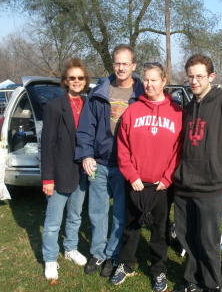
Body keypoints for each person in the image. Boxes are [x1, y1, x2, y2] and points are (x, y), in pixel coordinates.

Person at [172, 54, 222, 292]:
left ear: (211, 77)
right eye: (191, 76)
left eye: (199, 76)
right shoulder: (187, 108)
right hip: (185, 185)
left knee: (207, 241)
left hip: (211, 186)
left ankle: (212, 284)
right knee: (187, 238)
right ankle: (192, 281)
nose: (194, 81)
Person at [110, 63, 182, 292]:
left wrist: (168, 178)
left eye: (154, 80)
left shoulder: (177, 112)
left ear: (163, 81)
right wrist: (132, 175)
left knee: (159, 230)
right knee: (131, 227)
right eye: (146, 80)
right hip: (136, 182)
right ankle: (126, 263)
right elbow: (122, 147)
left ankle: (158, 269)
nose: (150, 84)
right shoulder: (132, 111)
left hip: (162, 185)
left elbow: (179, 151)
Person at [75, 44, 144, 277]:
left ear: (133, 66)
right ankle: (98, 253)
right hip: (100, 162)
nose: (121, 67)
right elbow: (86, 128)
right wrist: (86, 154)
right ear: (112, 64)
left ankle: (113, 254)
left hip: (126, 165)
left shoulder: (142, 94)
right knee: (97, 211)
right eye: (117, 63)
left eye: (126, 63)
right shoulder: (99, 92)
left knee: (119, 214)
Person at [41, 58, 90, 281]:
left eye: (80, 78)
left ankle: (70, 248)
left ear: (85, 81)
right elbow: (47, 144)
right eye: (72, 78)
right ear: (65, 81)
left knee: (75, 215)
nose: (77, 81)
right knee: (53, 221)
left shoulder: (89, 103)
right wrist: (47, 178)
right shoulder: (54, 106)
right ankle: (50, 258)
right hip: (60, 171)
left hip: (82, 170)